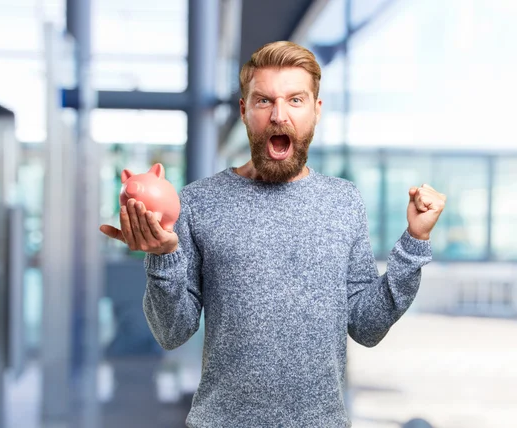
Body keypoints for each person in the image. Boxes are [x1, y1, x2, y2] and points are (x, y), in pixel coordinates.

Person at [100, 41, 446, 428]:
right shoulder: (199, 200)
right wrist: (162, 259)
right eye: (264, 101)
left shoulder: (344, 201)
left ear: (316, 111)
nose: (279, 116)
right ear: (245, 111)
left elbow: (366, 326)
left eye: (295, 100)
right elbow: (172, 332)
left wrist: (414, 245)